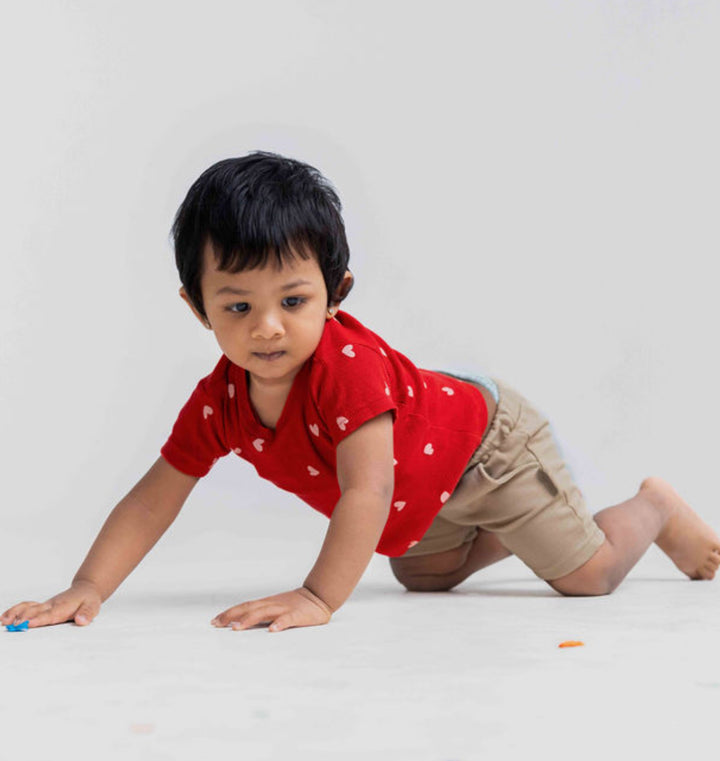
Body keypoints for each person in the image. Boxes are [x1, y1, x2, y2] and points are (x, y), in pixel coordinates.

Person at [3, 152, 719, 634]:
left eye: (293, 298)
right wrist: (89, 585)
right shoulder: (220, 400)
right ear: (197, 308)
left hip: (486, 448)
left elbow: (366, 494)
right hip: (425, 488)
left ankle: (651, 507)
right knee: (425, 576)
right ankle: (524, 525)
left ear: (336, 293)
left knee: (587, 576)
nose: (269, 330)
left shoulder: (347, 369)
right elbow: (154, 496)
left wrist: (318, 596)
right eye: (238, 307)